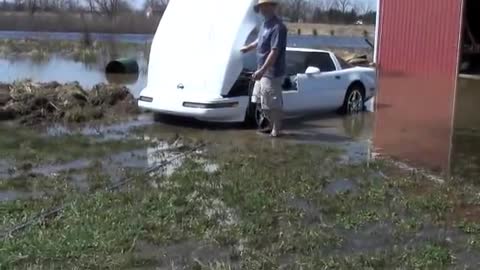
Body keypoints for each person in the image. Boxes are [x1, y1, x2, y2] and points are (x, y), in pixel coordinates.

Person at [241, 0, 287, 137]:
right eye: (260, 7)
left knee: (272, 102)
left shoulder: (278, 27)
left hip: (272, 72)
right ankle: (270, 125)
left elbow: (274, 51)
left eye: (264, 6)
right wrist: (248, 47)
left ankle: (276, 130)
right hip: (262, 70)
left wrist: (262, 71)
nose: (262, 9)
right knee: (259, 99)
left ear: (272, 6)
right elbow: (259, 40)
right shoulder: (265, 24)